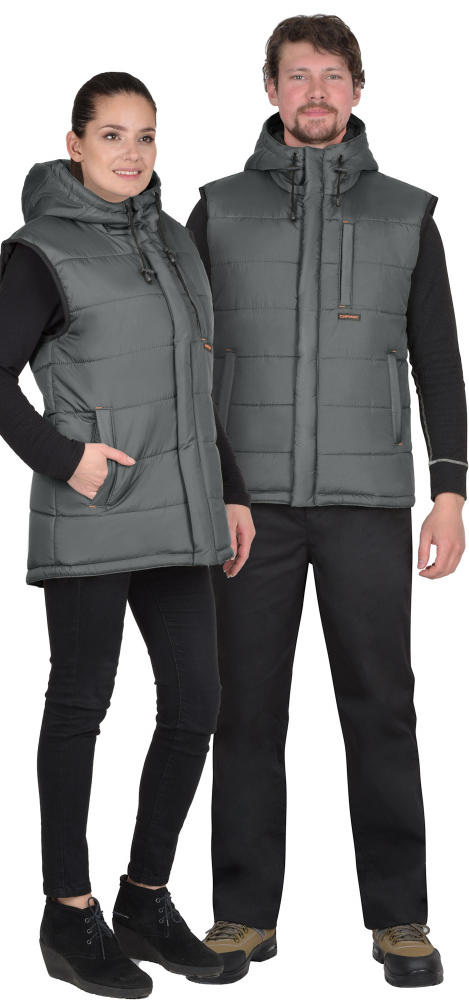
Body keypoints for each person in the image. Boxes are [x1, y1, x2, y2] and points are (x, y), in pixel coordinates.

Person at [185, 14, 467, 990]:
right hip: (245, 509)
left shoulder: (406, 214)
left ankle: (399, 918)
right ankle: (241, 915)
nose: (315, 91)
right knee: (242, 712)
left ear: (356, 89)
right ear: (269, 89)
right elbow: (187, 361)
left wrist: (448, 491)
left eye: (332, 75)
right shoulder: (217, 210)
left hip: (367, 502)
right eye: (297, 75)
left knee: (381, 709)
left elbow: (438, 361)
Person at [0, 71, 255, 998]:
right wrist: (65, 460)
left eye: (145, 136)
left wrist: (233, 492)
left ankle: (144, 899)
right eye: (111, 135)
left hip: (181, 512)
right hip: (93, 511)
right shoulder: (43, 251)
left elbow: (196, 388)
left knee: (197, 703)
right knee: (81, 705)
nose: (131, 153)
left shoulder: (174, 243)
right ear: (75, 144)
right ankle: (68, 913)